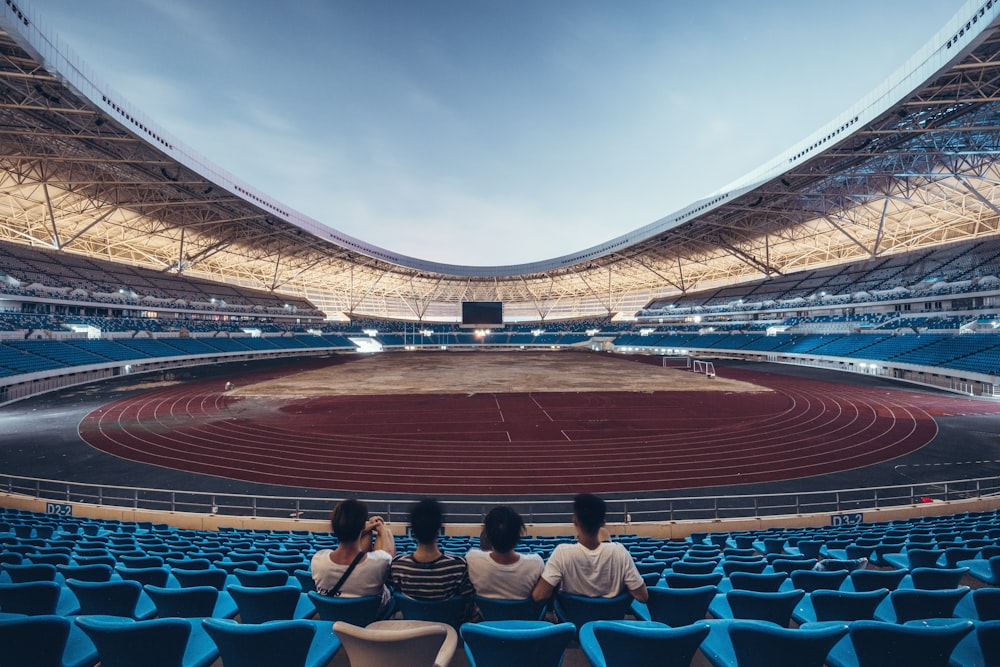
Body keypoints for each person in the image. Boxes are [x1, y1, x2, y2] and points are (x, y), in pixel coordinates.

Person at [531, 493, 648, 603]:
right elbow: (642, 596)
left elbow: (539, 595)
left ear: (575, 520)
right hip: (610, 623)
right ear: (603, 523)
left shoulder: (561, 553)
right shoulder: (619, 552)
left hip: (574, 622)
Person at [389, 498, 476, 619]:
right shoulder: (458, 566)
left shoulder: (398, 566)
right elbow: (469, 601)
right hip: (448, 632)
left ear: (412, 529)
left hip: (410, 630)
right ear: (439, 528)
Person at [311, 498, 395, 612]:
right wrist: (382, 529)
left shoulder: (318, 559)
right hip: (369, 616)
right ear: (361, 528)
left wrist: (366, 529)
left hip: (332, 615)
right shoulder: (378, 563)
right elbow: (388, 555)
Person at [466, 505, 544, 599]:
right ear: (519, 533)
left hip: (485, 614)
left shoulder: (472, 559)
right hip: (522, 613)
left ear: (487, 534)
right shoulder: (536, 563)